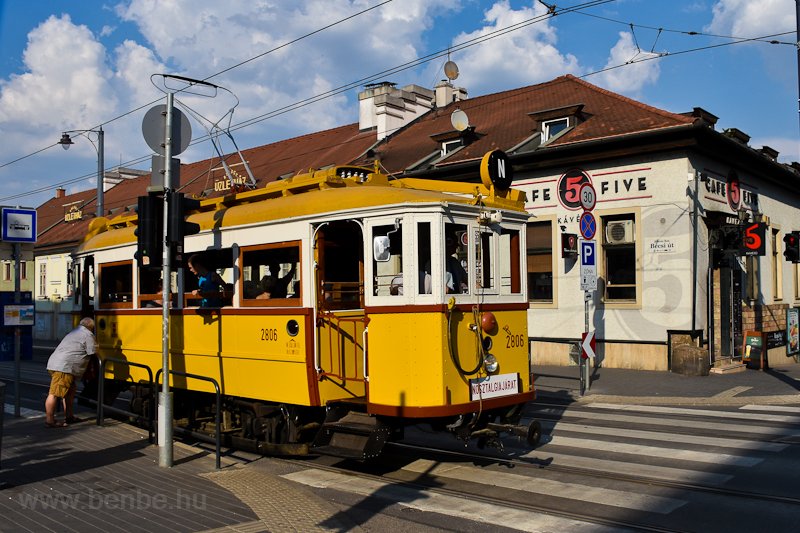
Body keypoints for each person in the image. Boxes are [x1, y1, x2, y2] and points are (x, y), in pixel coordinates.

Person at [44, 317, 96, 427]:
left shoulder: (74, 332)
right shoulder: (88, 334)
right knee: (54, 394)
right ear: (91, 327)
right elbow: (93, 351)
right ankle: (50, 421)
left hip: (59, 365)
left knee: (69, 393)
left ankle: (69, 416)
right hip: (64, 368)